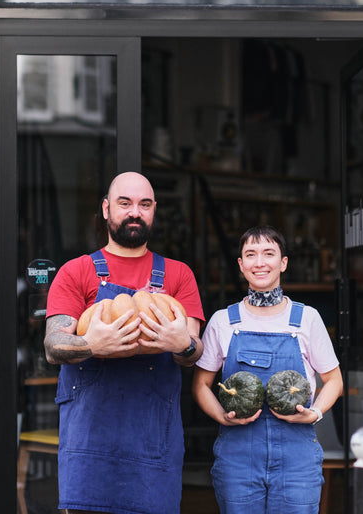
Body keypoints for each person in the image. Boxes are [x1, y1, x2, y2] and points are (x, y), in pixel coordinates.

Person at [44, 171, 204, 514]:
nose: (135, 212)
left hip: (153, 445)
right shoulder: (77, 271)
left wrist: (183, 345)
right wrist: (91, 346)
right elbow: (53, 345)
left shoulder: (178, 275)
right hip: (91, 446)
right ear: (106, 209)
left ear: (154, 210)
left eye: (144, 204)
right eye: (125, 203)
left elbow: (193, 353)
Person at [192, 225, 343, 514]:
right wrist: (222, 416)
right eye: (250, 254)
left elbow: (333, 380)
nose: (259, 262)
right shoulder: (224, 321)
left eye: (268, 253)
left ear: (283, 262)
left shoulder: (307, 319)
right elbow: (200, 385)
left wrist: (316, 413)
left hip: (296, 455)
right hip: (238, 455)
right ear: (241, 264)